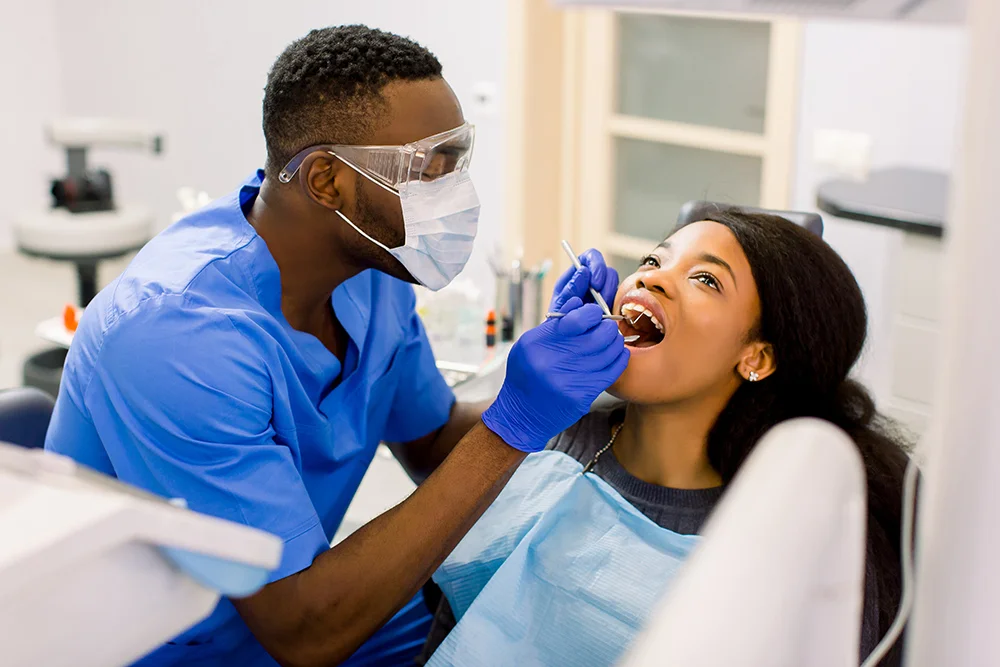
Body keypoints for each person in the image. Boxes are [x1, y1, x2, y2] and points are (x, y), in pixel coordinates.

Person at [43, 25, 629, 667]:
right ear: (326, 180)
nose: (456, 193)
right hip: (178, 646)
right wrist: (515, 421)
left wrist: (573, 381)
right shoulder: (175, 336)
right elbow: (305, 633)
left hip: (314, 606)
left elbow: (431, 440)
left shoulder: (370, 275)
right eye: (427, 169)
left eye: (458, 161)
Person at [421, 209, 910, 667]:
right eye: (654, 260)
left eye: (706, 279)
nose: (650, 277)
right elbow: (454, 627)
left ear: (757, 357)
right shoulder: (550, 443)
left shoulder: (787, 532)